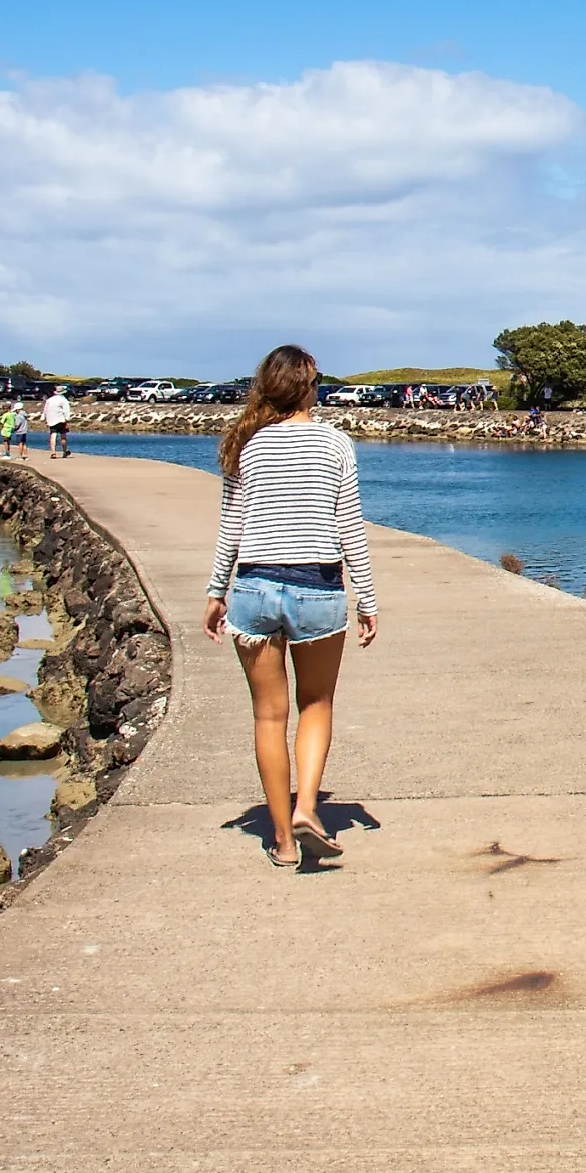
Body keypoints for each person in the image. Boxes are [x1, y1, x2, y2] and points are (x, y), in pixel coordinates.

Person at [203, 345, 379, 871]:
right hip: (317, 589)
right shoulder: (335, 443)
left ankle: (281, 839)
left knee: (267, 716)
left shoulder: (247, 444)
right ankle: (307, 808)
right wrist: (367, 599)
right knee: (316, 705)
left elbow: (231, 526)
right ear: (308, 385)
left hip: (254, 588)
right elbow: (350, 527)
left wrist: (216, 593)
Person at [43, 384, 73, 457]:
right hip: (61, 420)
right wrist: (67, 420)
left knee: (53, 435)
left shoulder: (49, 400)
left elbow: (45, 410)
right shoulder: (63, 400)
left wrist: (45, 419)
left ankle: (53, 452)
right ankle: (64, 451)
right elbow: (66, 411)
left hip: (51, 420)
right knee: (63, 436)